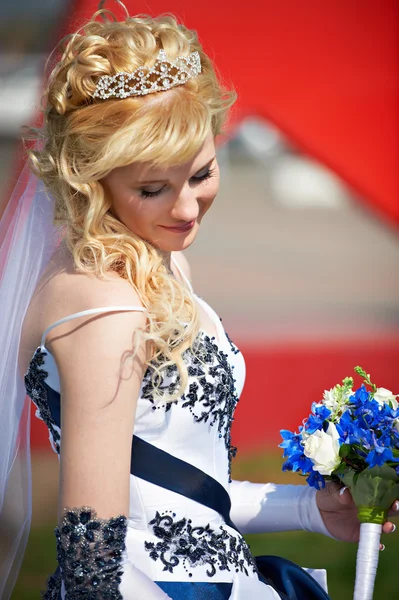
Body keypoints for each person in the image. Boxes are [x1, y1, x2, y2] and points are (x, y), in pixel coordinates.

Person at [0, 2, 396, 599]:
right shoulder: (105, 309)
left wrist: (314, 511)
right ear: (91, 181)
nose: (186, 209)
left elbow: (184, 499)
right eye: (153, 188)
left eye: (202, 174)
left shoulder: (159, 259)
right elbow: (93, 558)